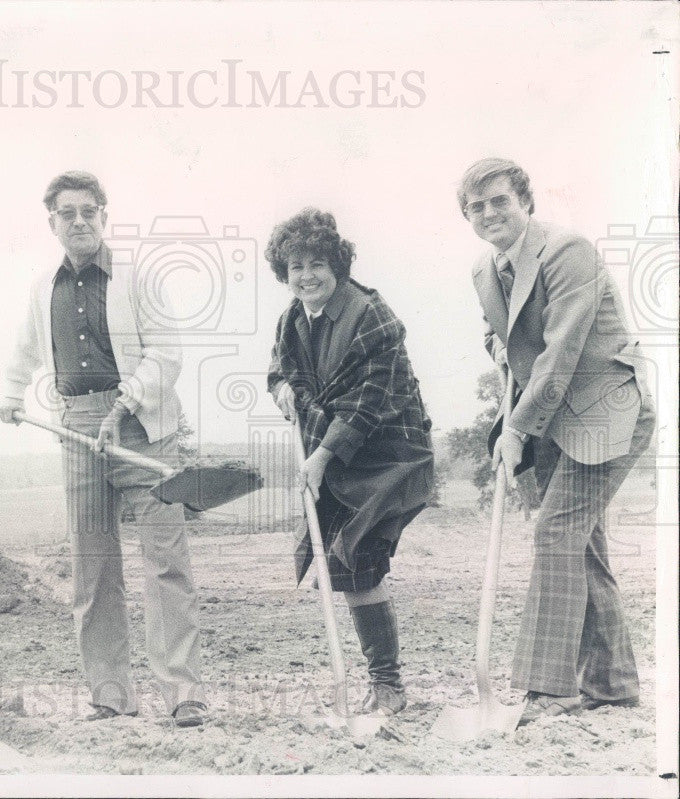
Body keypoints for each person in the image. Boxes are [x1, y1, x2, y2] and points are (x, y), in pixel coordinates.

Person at [0, 171, 207, 727]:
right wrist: (11, 393)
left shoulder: (137, 279)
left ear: (104, 218)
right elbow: (24, 348)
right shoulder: (43, 288)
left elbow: (166, 352)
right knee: (93, 568)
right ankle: (110, 694)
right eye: (68, 213)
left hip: (143, 429)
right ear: (53, 224)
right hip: (77, 430)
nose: (80, 221)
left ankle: (183, 693)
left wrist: (123, 407)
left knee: (165, 563)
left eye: (89, 211)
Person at [458, 157, 655, 724]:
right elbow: (506, 332)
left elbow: (561, 350)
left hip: (606, 409)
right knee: (581, 543)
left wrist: (516, 427)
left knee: (557, 530)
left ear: (525, 201)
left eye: (500, 200)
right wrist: (494, 346)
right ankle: (612, 683)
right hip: (555, 420)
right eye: (477, 206)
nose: (489, 213)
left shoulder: (568, 251)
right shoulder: (484, 270)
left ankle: (552, 689)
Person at [266, 208, 434, 716]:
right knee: (350, 568)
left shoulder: (372, 317)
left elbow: (365, 405)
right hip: (336, 454)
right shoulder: (294, 317)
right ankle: (382, 685)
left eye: (317, 262)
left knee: (359, 559)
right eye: (295, 266)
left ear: (337, 264)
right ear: (284, 272)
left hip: (387, 455)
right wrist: (282, 390)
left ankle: (388, 686)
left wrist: (319, 458)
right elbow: (280, 368)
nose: (306, 275)